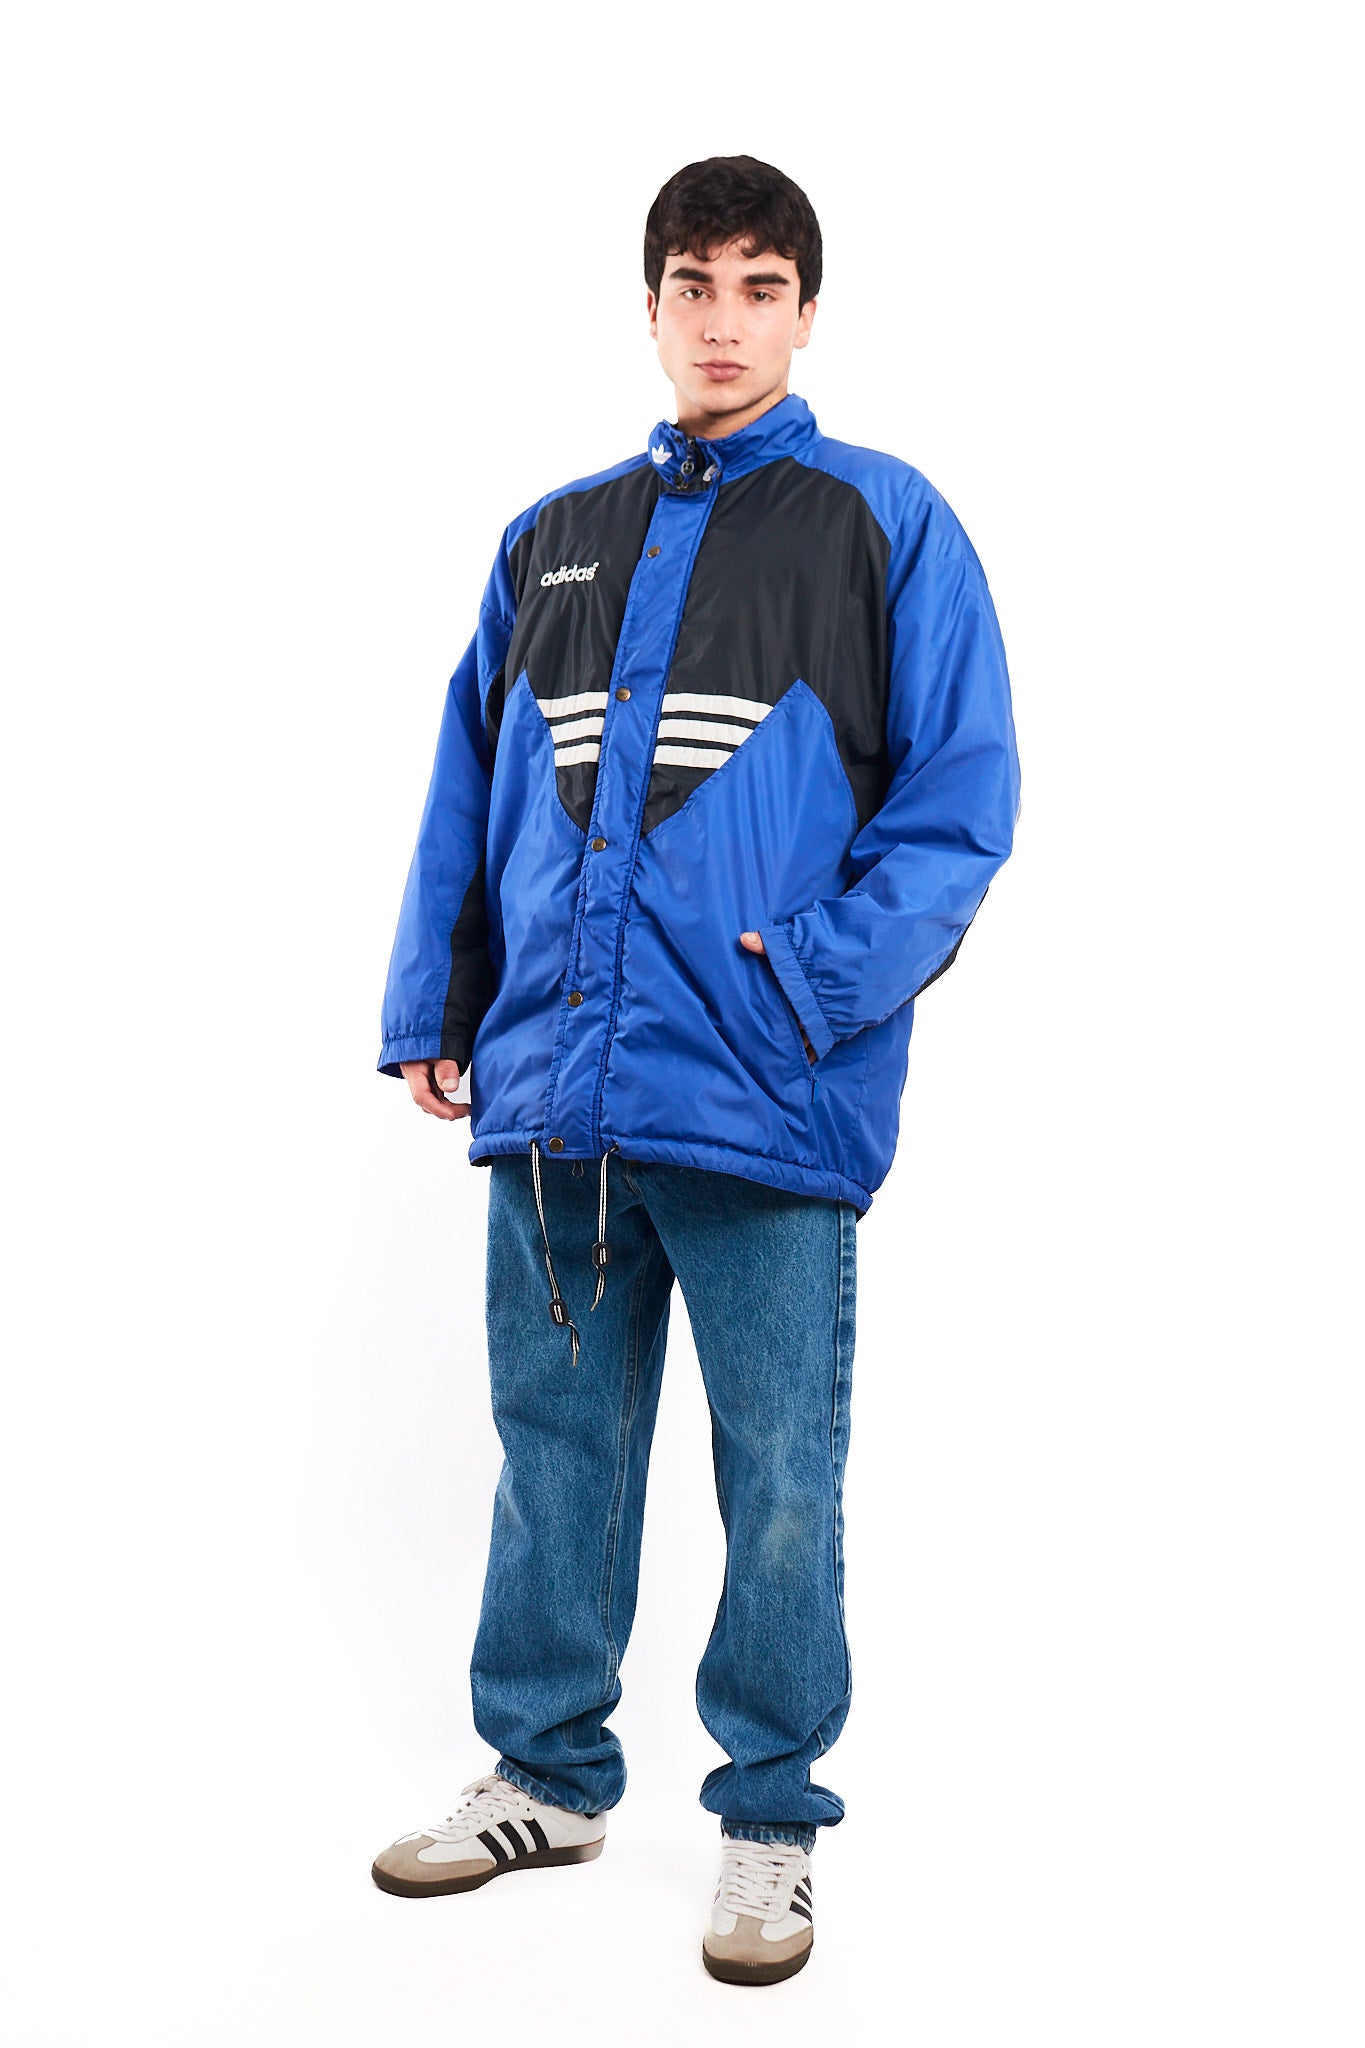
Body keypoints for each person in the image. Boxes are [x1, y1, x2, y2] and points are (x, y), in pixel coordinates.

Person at [369, 154, 1021, 1986]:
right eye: (691, 284)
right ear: (647, 306)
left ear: (806, 311)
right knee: (553, 1450)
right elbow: (471, 782)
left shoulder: (883, 519)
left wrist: (810, 984)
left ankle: (771, 1819)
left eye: (758, 286)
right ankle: (545, 1775)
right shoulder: (550, 536)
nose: (722, 320)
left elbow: (958, 804)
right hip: (559, 1096)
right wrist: (440, 1003)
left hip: (763, 1095)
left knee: (780, 1470)